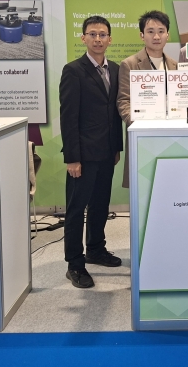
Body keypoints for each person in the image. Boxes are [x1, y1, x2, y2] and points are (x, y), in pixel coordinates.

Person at [59, 15, 124, 288]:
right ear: (83, 38)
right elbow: (68, 117)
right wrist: (72, 158)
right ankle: (75, 264)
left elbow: (115, 114)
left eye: (102, 34)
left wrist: (116, 147)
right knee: (76, 210)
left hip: (107, 153)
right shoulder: (73, 70)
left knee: (100, 205)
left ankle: (96, 249)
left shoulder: (117, 70)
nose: (98, 39)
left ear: (110, 39)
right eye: (93, 34)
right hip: (83, 156)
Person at [117, 10, 177, 188]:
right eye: (150, 31)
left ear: (167, 35)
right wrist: (138, 125)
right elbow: (123, 101)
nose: (156, 36)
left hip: (170, 135)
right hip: (142, 136)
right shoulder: (130, 64)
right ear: (142, 35)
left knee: (169, 184)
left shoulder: (174, 65)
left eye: (161, 31)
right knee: (142, 185)